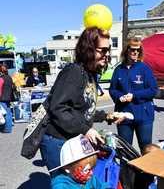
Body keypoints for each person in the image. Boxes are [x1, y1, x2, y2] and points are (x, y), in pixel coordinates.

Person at [39, 27, 120, 180]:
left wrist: (107, 116)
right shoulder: (74, 72)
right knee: (65, 184)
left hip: (72, 139)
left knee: (79, 182)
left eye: (108, 50)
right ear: (88, 49)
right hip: (57, 142)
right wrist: (86, 130)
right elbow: (58, 108)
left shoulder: (90, 74)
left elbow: (82, 110)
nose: (107, 54)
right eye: (102, 50)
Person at [109, 37, 158, 152]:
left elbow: (153, 90)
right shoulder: (118, 70)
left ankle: (146, 170)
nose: (135, 52)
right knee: (125, 150)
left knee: (146, 149)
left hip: (143, 115)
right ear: (126, 50)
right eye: (132, 49)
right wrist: (118, 97)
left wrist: (134, 95)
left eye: (138, 50)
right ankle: (127, 170)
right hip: (124, 114)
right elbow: (113, 89)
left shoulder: (145, 69)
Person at [0, 65, 14, 133]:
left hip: (2, 98)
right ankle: (9, 128)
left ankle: (6, 129)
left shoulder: (1, 79)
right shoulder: (10, 77)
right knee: (8, 113)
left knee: (4, 113)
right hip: (8, 97)